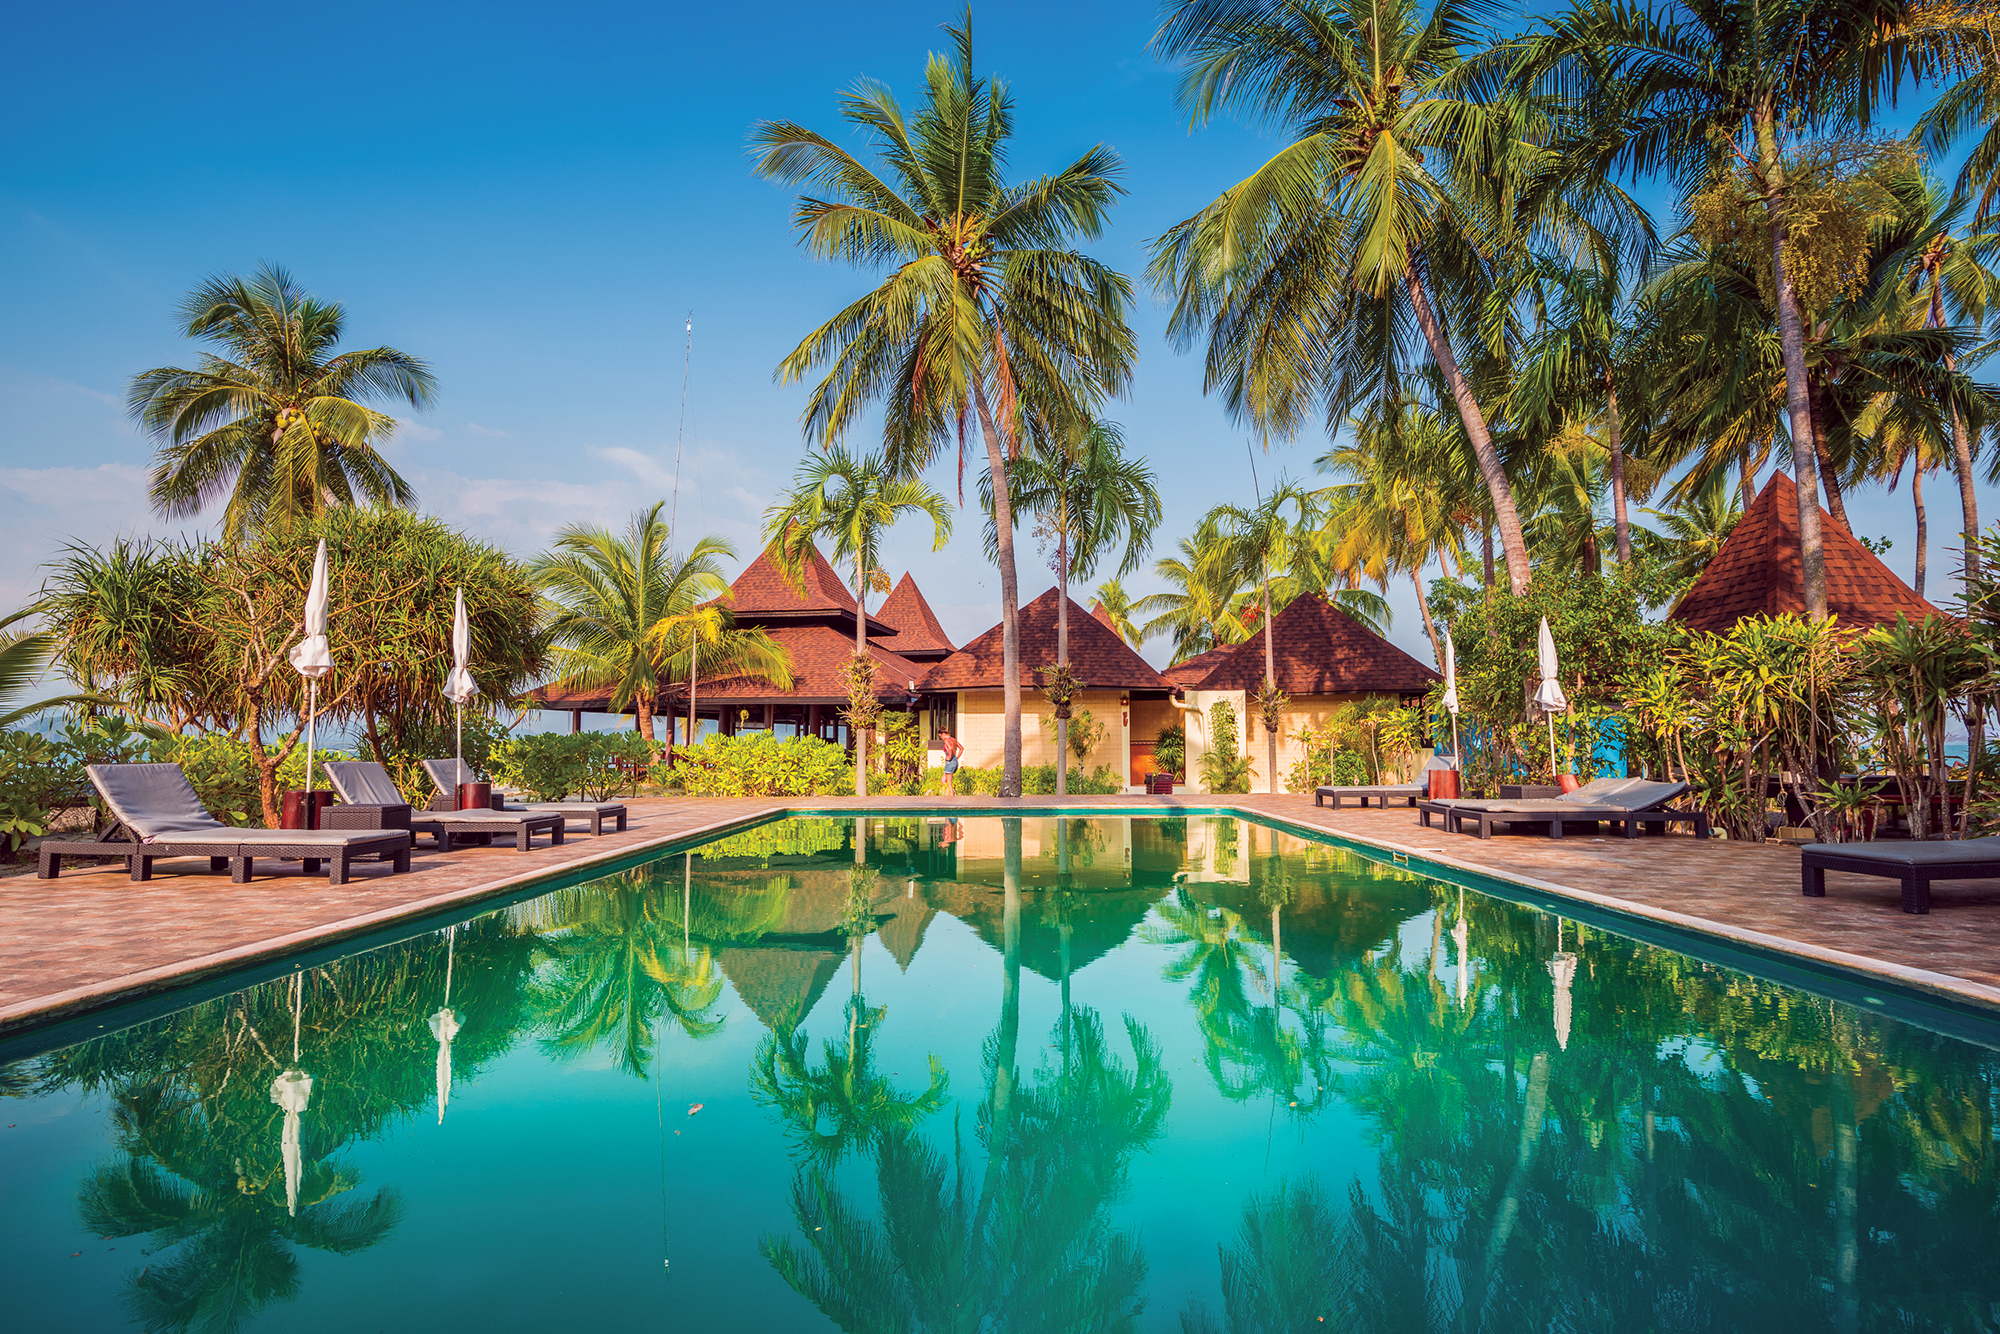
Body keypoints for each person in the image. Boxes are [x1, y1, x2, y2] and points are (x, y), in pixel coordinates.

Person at [938, 728, 963, 797]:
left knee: (949, 782)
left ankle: (952, 796)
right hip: (954, 760)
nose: (941, 738)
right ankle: (953, 793)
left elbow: (950, 748)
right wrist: (956, 758)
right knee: (943, 780)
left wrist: (949, 756)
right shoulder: (953, 739)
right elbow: (961, 748)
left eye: (940, 736)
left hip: (950, 761)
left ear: (943, 734)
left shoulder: (946, 740)